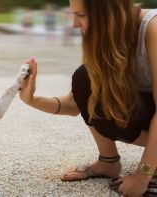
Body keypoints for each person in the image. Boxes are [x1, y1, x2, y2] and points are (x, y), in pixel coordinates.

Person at [19, 0, 157, 196]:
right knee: (85, 78)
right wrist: (31, 100)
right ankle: (108, 162)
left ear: (108, 13)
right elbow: (76, 103)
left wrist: (142, 177)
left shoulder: (153, 28)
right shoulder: (105, 37)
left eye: (81, 15)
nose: (74, 23)